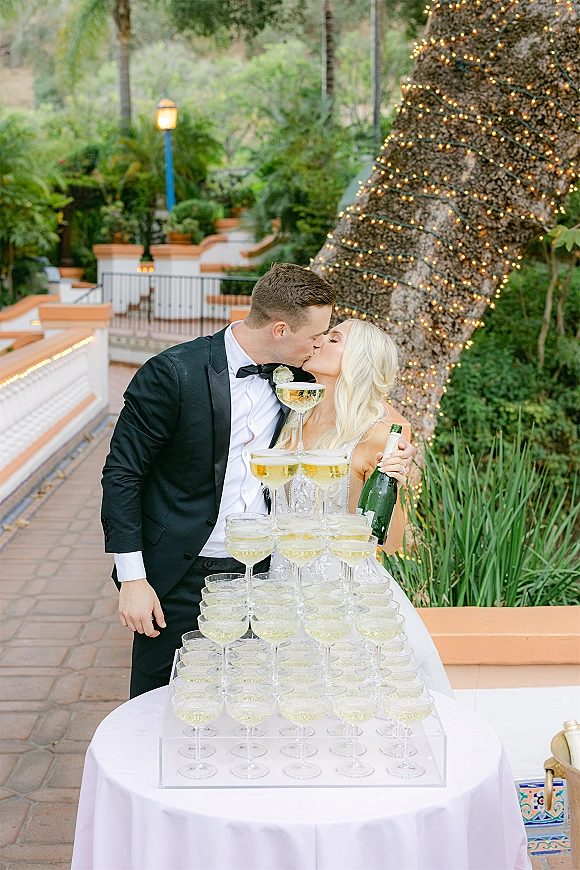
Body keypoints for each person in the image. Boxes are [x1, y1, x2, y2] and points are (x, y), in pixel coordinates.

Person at [276, 318, 454, 696]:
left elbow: (387, 542)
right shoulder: (296, 411)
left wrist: (392, 482)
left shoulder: (377, 434)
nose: (321, 340)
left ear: (357, 361)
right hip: (280, 579)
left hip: (339, 595)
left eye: (334, 338)